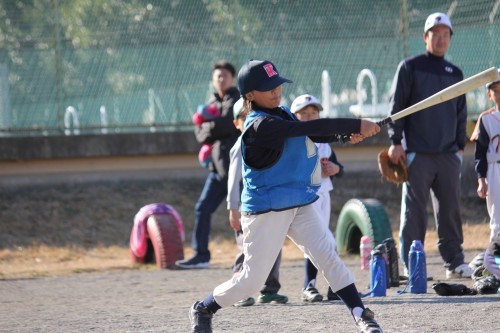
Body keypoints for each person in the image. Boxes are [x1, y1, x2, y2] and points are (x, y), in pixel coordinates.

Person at [189, 59, 383, 333]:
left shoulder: (281, 113)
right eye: (267, 87)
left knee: (328, 256)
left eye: (277, 84)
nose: (276, 90)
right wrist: (355, 123)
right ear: (249, 95)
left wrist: (344, 133)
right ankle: (205, 307)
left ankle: (362, 314)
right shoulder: (259, 126)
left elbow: (311, 132)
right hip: (266, 210)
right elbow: (301, 130)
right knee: (251, 283)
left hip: (299, 203)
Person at [386, 12, 472, 279]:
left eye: (446, 34)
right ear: (425, 37)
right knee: (414, 213)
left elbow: (461, 112)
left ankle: (454, 262)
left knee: (450, 211)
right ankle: (413, 266)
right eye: (436, 34)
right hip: (417, 154)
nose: (441, 38)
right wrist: (395, 142)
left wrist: (459, 147)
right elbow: (396, 107)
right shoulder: (410, 67)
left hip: (448, 154)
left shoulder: (455, 73)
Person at [176, 60, 241, 269]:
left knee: (242, 213)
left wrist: (208, 124)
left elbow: (227, 124)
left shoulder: (237, 100)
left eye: (225, 76)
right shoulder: (212, 103)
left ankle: (248, 256)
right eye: (217, 77)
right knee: (202, 209)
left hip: (235, 168)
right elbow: (200, 134)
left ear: (233, 78)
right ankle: (201, 255)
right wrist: (212, 126)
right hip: (217, 170)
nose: (221, 80)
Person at [227, 97, 288, 307]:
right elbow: (233, 179)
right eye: (243, 118)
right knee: (247, 248)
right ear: (236, 123)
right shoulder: (240, 145)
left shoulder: (267, 144)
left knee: (273, 245)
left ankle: (269, 290)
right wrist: (233, 207)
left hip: (269, 204)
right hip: (248, 208)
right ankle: (239, 288)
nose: (249, 120)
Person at [290, 94, 342, 302]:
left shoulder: (324, 141)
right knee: (322, 240)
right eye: (304, 113)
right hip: (305, 196)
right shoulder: (292, 140)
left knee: (321, 241)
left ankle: (326, 286)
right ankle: (314, 285)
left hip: (323, 195)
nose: (310, 117)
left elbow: (339, 167)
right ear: (294, 117)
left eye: (314, 113)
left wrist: (335, 168)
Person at [471, 78, 500, 278]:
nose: (499, 94)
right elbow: (479, 153)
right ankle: (494, 266)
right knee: (497, 218)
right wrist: (481, 179)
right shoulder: (486, 118)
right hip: (494, 168)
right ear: (489, 95)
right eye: (495, 90)